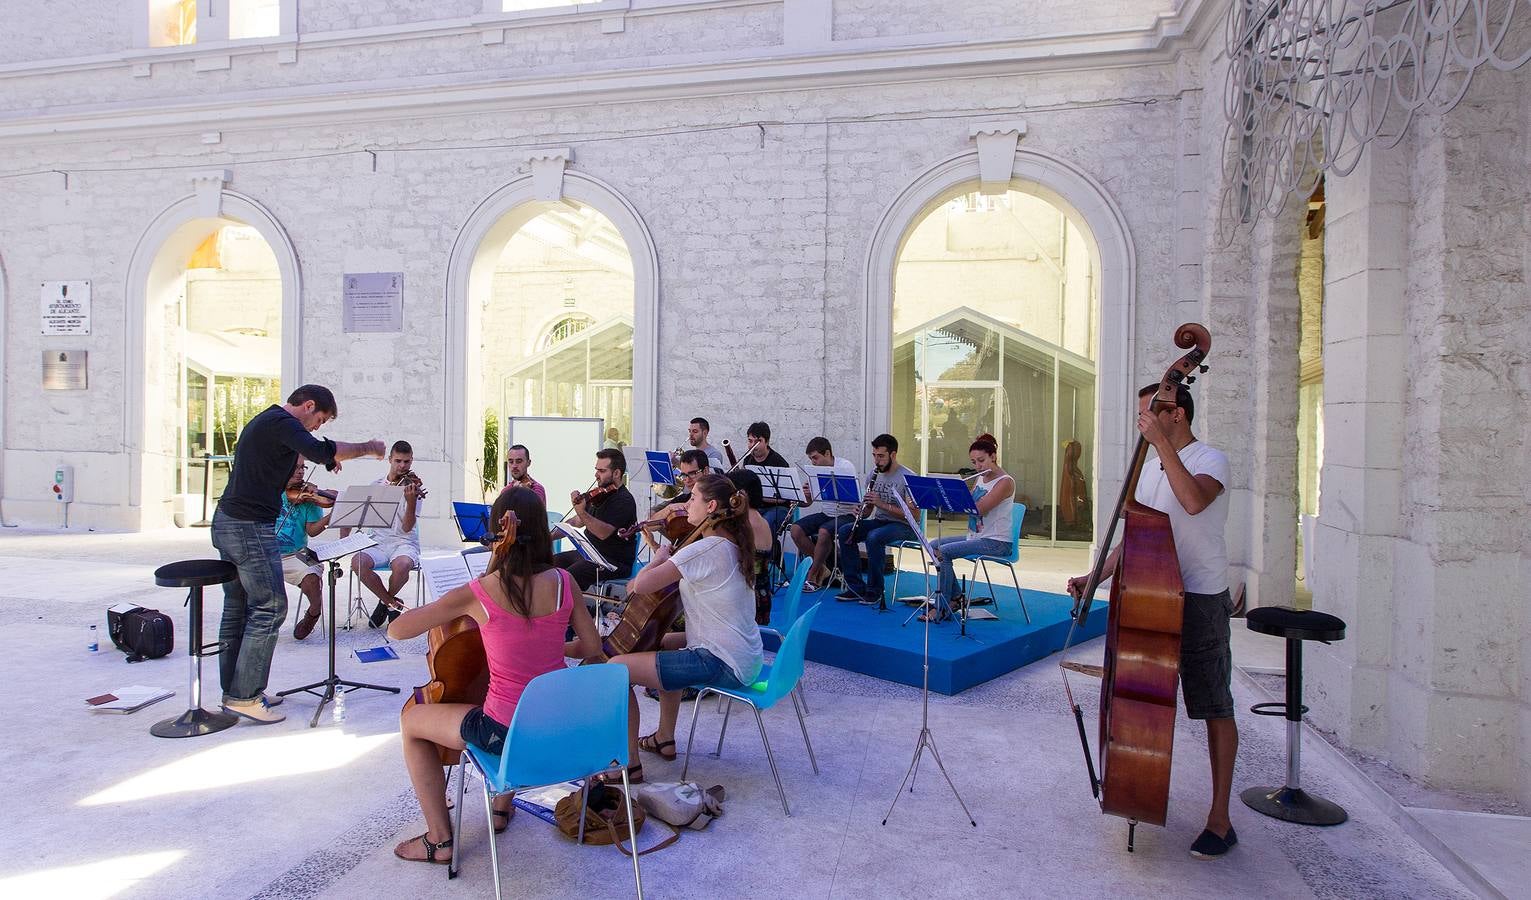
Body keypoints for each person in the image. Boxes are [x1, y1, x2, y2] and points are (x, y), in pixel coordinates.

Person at [1067, 383, 1237, 860]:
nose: (1141, 425)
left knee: (1214, 706)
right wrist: (1094, 576)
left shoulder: (1209, 459)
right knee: (1143, 705)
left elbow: (1194, 501)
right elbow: (1133, 542)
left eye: (1149, 415)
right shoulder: (1147, 472)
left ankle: (1220, 819)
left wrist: (1161, 445)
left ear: (1177, 414)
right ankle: (1137, 784)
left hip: (1200, 598)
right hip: (1151, 597)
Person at [388, 487, 601, 863]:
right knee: (517, 704)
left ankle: (439, 840)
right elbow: (592, 649)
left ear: (497, 531)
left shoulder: (480, 590)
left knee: (412, 721)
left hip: (506, 738)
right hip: (560, 729)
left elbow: (398, 631)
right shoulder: (565, 584)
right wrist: (548, 648)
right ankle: (500, 810)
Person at [212, 384, 384, 724]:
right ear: (308, 406)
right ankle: (245, 697)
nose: (318, 427)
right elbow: (321, 450)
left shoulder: (269, 424)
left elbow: (312, 453)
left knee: (240, 607)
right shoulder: (282, 421)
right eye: (320, 419)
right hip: (248, 526)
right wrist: (368, 448)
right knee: (270, 606)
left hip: (228, 521)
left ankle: (237, 692)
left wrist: (325, 458)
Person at [607, 474, 764, 781]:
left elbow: (639, 586)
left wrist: (660, 557)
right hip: (744, 656)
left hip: (722, 662)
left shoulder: (704, 550)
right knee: (665, 644)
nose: (685, 504)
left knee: (616, 668)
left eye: (692, 498)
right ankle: (665, 737)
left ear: (711, 507)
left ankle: (628, 763)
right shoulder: (731, 545)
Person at [928, 434, 1014, 621]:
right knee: (934, 545)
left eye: (982, 461)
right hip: (976, 537)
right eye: (974, 462)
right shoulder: (981, 478)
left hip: (996, 542)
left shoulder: (1005, 482)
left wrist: (954, 496)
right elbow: (971, 499)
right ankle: (956, 597)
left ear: (993, 456)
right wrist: (943, 493)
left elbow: (979, 508)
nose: (978, 466)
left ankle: (942, 606)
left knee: (945, 551)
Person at [348, 441, 425, 627]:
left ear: (411, 461)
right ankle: (392, 603)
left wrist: (411, 501)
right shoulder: (376, 485)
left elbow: (407, 528)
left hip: (404, 542)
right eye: (398, 461)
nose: (402, 466)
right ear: (390, 459)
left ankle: (384, 603)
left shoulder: (413, 488)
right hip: (378, 542)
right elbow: (365, 517)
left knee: (402, 565)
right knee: (357, 562)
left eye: (407, 462)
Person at [835, 434, 917, 606]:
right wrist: (861, 511)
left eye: (881, 456)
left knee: (874, 537)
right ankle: (856, 587)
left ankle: (875, 590)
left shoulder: (908, 477)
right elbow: (870, 508)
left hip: (904, 526)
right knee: (845, 531)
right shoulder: (874, 474)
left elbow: (914, 516)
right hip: (880, 522)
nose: (877, 461)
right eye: (874, 455)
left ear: (893, 455)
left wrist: (883, 504)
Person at [553, 448, 638, 590]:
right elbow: (576, 521)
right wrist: (548, 537)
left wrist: (582, 512)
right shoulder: (598, 495)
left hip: (612, 561)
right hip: (590, 554)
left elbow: (602, 533)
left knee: (568, 577)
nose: (596, 475)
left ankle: (569, 610)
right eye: (596, 470)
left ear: (616, 473)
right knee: (548, 565)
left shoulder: (624, 500)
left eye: (602, 471)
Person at [276, 458, 334, 641]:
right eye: (296, 468)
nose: (301, 472)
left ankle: (313, 612)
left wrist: (331, 517)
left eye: (303, 468)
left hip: (298, 551)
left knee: (312, 576)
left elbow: (312, 531)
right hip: (268, 551)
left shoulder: (309, 498)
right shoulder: (270, 491)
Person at [790, 436, 858, 592]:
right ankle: (821, 567)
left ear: (827, 453)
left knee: (823, 531)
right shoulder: (815, 471)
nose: (813, 462)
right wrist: (805, 494)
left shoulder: (845, 467)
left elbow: (851, 497)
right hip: (827, 513)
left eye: (815, 458)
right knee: (796, 529)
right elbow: (808, 503)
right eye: (811, 459)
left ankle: (812, 575)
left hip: (846, 514)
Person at [724, 468, 777, 625]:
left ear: (742, 495)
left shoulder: (746, 525)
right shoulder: (762, 520)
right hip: (762, 595)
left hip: (749, 602)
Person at [741, 421, 793, 535]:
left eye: (758, 441)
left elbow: (784, 498)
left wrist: (758, 497)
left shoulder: (779, 462)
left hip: (778, 508)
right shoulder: (747, 460)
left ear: (767, 442)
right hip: (756, 507)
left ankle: (766, 551)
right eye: (750, 441)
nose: (752, 445)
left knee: (766, 523)